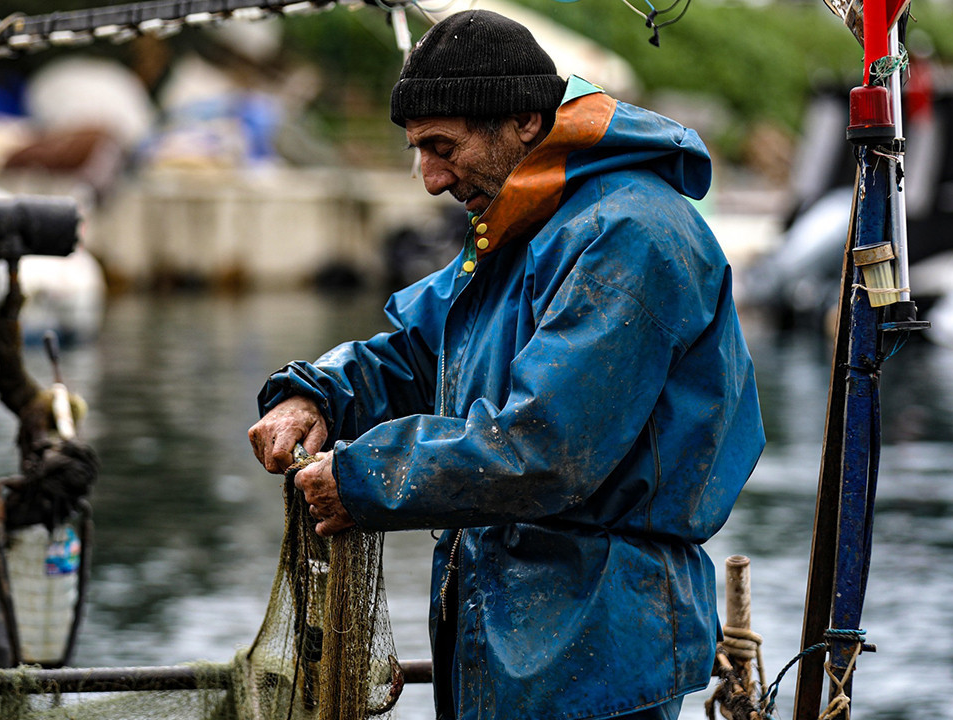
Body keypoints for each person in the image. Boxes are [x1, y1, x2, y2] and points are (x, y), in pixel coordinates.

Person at [248, 10, 764, 720]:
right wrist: (315, 396)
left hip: (594, 645)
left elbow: (544, 450)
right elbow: (419, 352)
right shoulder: (526, 221)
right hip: (510, 636)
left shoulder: (627, 235)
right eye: (419, 152)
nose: (431, 179)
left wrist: (362, 478)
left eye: (443, 147)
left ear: (524, 120)